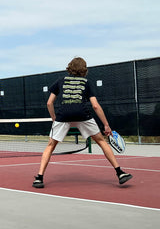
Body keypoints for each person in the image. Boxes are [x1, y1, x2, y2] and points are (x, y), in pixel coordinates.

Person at [32, 57, 133, 188]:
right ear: (84, 69)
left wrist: (54, 119)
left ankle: (39, 178)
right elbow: (95, 106)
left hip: (64, 115)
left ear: (70, 67)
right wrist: (106, 125)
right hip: (82, 114)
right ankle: (120, 173)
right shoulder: (86, 82)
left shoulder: (60, 81)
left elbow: (49, 102)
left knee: (50, 145)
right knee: (101, 141)